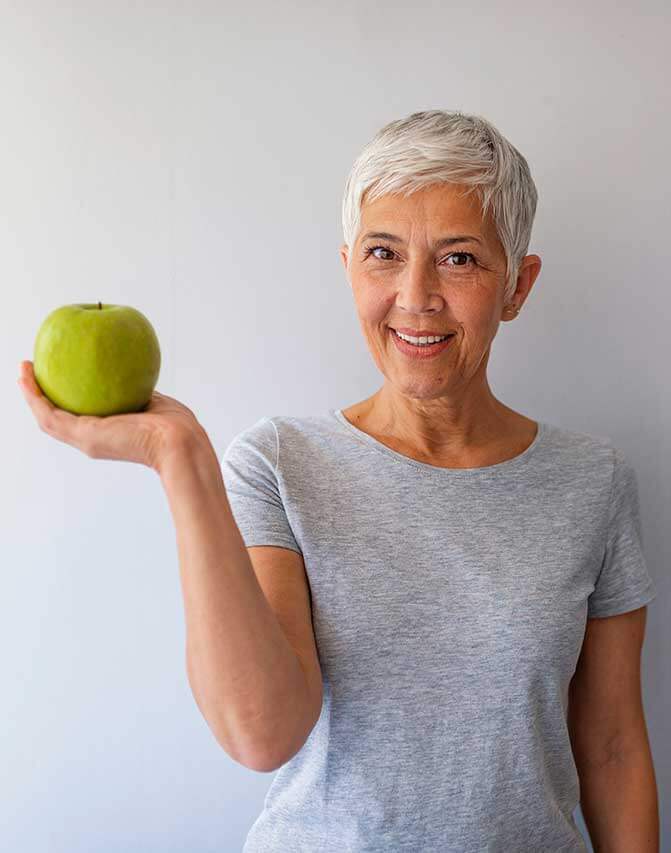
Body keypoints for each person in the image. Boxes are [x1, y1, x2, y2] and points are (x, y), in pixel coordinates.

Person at [18, 109, 659, 853]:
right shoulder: (279, 463)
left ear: (517, 284)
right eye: (384, 252)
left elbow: (612, 747)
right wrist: (180, 457)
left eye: (459, 259)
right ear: (349, 266)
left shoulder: (593, 481)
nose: (416, 295)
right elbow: (262, 732)